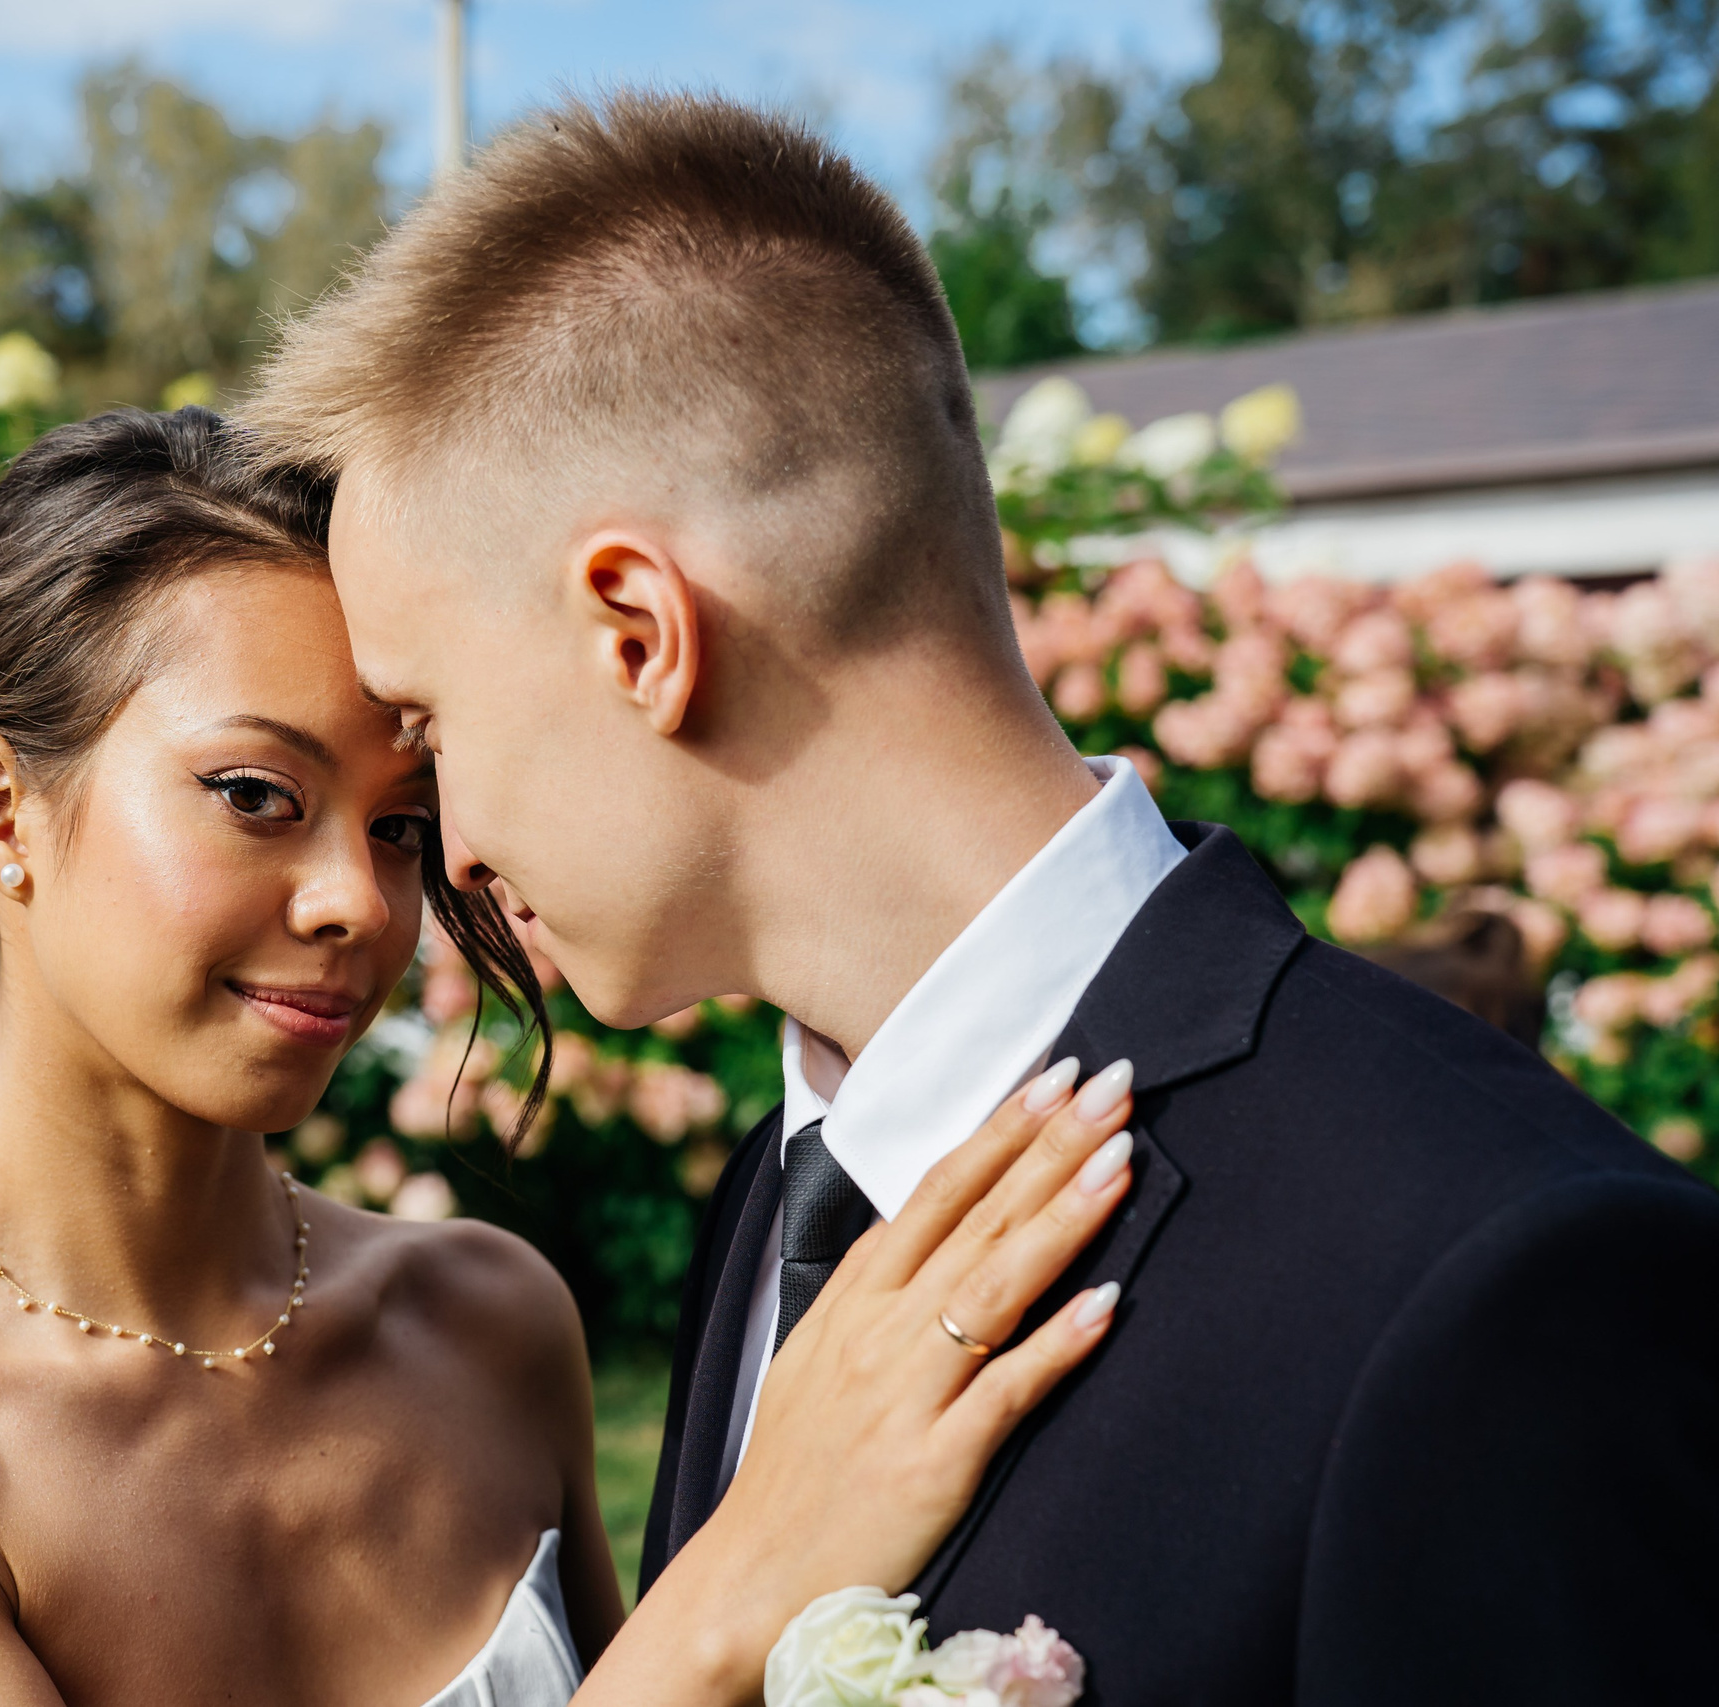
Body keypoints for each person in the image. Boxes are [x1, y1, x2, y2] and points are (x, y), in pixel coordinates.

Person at [245, 89, 1719, 1702]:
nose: (441, 849)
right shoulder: (783, 1198)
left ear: (639, 635)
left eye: (431, 721)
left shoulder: (1490, 1280)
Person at [0, 407, 1142, 1706]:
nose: (360, 903)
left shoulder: (489, 1320)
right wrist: (742, 1584)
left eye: (404, 823)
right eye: (254, 793)